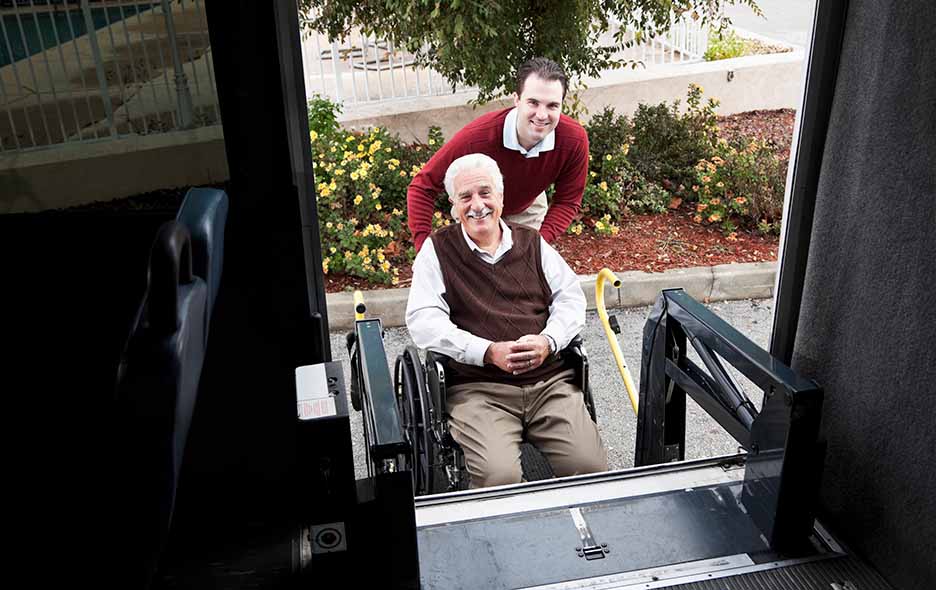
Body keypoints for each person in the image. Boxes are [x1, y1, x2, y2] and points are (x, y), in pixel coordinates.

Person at [405, 153, 607, 488]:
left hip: (549, 384)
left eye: (485, 193)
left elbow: (571, 298)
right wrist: (485, 351)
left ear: (500, 197)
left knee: (591, 470)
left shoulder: (531, 242)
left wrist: (549, 341)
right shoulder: (437, 251)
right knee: (500, 480)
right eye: (465, 197)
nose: (477, 205)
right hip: (479, 390)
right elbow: (423, 321)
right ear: (453, 206)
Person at [406, 57, 589, 252]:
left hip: (527, 208)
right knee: (480, 271)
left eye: (552, 105)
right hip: (478, 206)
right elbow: (422, 186)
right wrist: (424, 251)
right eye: (533, 103)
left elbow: (567, 201)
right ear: (517, 99)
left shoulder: (573, 140)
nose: (542, 115)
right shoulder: (477, 139)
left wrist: (538, 245)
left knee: (521, 270)